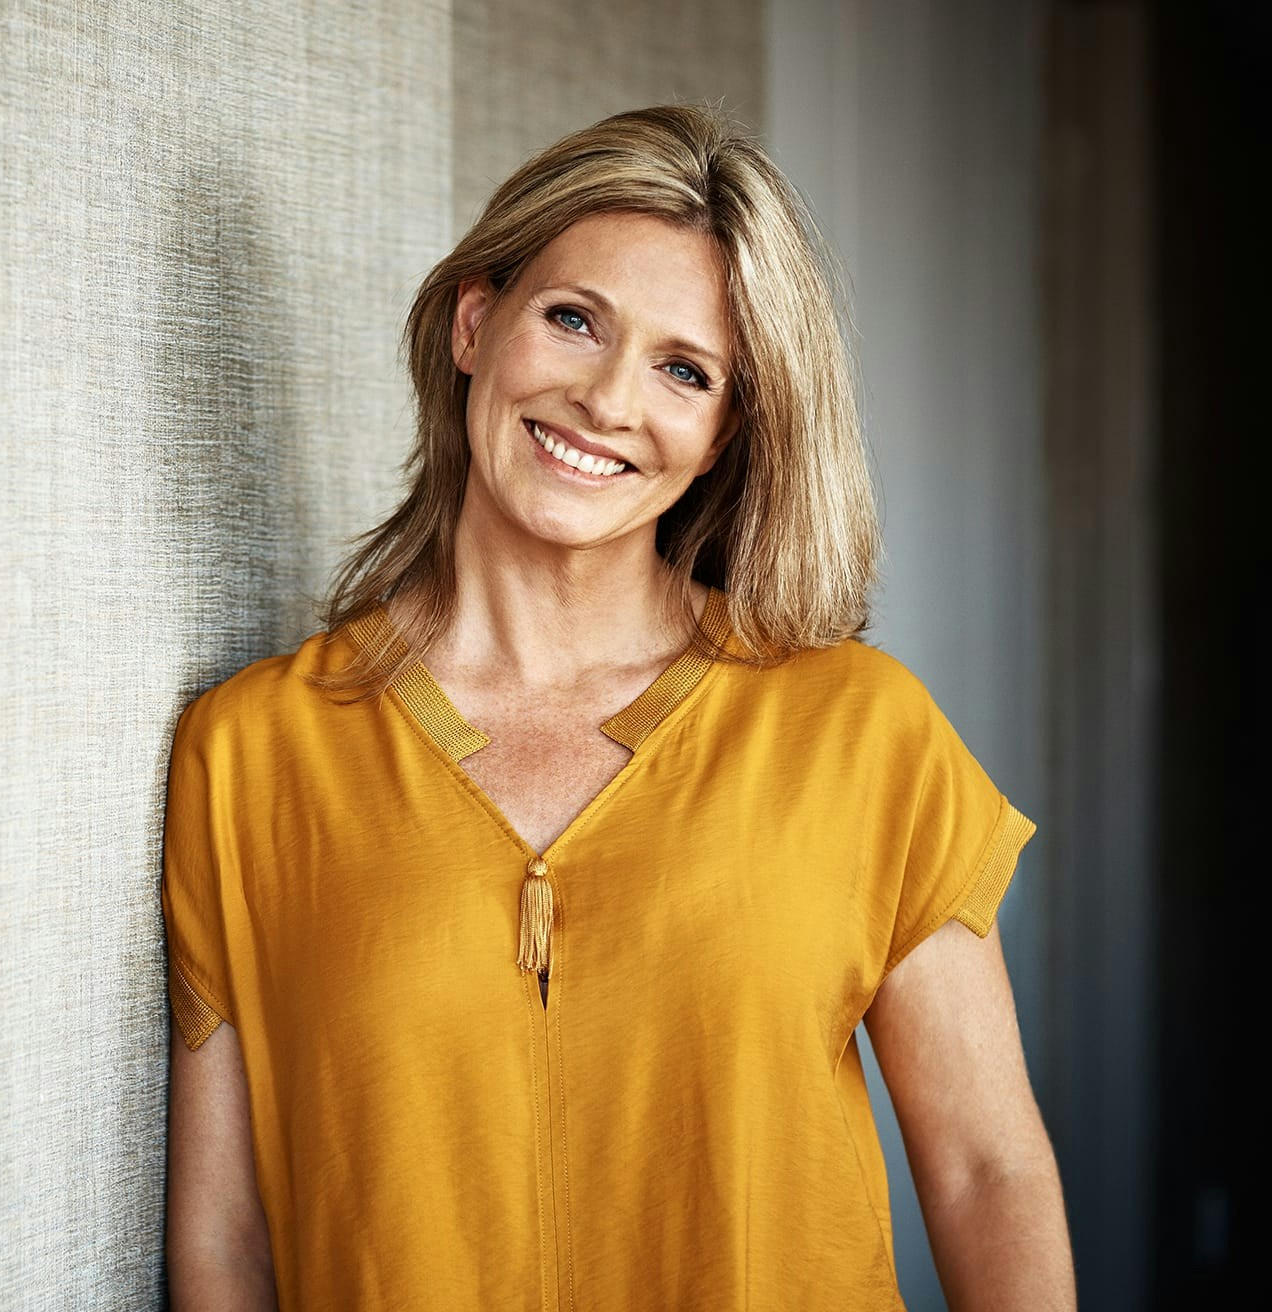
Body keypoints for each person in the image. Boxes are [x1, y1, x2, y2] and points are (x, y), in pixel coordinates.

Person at [161, 103, 1074, 1310]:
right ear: (476, 325)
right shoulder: (251, 754)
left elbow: (985, 1173)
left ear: (722, 434)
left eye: (683, 370)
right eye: (574, 319)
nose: (606, 398)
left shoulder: (863, 734)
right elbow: (228, 1245)